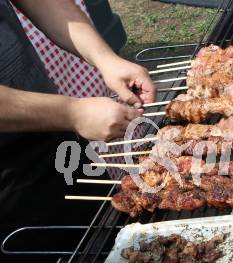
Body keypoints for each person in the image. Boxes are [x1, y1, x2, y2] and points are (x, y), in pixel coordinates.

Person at [0, 0, 156, 224]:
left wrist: (104, 58)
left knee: (110, 229)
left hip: (54, 133)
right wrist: (71, 113)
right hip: (8, 190)